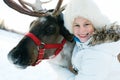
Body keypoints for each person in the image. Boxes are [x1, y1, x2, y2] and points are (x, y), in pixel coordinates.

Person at [54, 0, 120, 80]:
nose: (82, 31)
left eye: (86, 24)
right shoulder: (83, 42)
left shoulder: (97, 54)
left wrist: (57, 68)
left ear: (95, 24)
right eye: (77, 25)